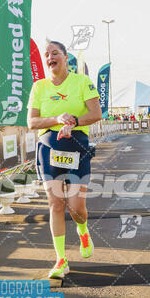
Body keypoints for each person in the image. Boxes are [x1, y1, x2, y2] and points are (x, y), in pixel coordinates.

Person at [27, 41, 102, 279]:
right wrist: (58, 119)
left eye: (55, 53)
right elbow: (32, 123)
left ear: (65, 57)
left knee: (76, 206)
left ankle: (82, 230)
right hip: (49, 149)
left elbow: (96, 114)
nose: (50, 57)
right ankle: (61, 259)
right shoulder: (39, 87)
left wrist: (74, 123)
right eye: (46, 54)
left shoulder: (82, 82)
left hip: (77, 146)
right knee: (55, 204)